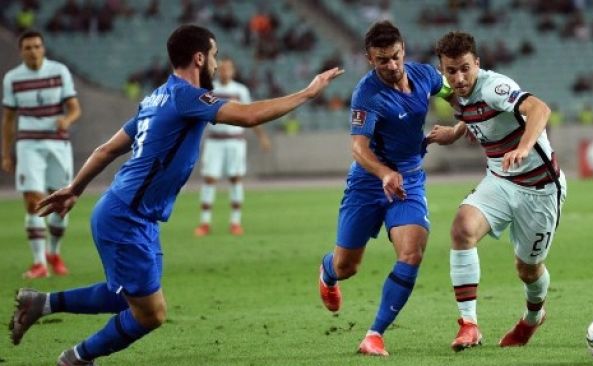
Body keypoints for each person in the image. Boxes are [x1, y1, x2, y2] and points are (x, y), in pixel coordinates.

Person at [8, 24, 343, 365]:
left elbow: (108, 149)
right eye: (214, 56)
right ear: (199, 58)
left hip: (132, 213)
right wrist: (307, 93)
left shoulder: (157, 96)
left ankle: (43, 303)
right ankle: (76, 358)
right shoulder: (186, 96)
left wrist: (75, 189)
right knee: (150, 314)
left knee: (126, 296)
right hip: (126, 217)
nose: (216, 63)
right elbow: (249, 115)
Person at [317, 21, 451, 357]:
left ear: (403, 49)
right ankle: (328, 272)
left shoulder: (424, 76)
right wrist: (383, 172)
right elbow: (358, 149)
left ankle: (374, 334)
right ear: (369, 59)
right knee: (348, 267)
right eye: (381, 61)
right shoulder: (367, 94)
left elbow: (456, 91)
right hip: (368, 182)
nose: (390, 66)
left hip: (408, 180)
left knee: (412, 252)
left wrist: (461, 125)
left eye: (394, 57)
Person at [428, 31, 567, 352]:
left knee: (527, 269)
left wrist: (524, 146)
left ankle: (533, 317)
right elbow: (470, 111)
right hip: (500, 180)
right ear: (443, 69)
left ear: (477, 63)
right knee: (462, 229)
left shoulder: (494, 86)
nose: (459, 77)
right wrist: (454, 131)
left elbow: (540, 110)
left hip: (539, 187)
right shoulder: (450, 90)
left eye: (465, 68)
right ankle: (469, 325)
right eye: (451, 70)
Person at [2, 30, 82, 279]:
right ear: (21, 51)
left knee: (62, 203)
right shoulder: (12, 78)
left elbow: (74, 109)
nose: (33, 51)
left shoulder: (59, 71)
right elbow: (9, 119)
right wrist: (6, 153)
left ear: (43, 48)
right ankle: (39, 263)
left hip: (57, 144)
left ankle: (53, 253)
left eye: (37, 46)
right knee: (32, 201)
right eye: (28, 47)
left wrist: (66, 120)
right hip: (28, 145)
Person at [195, 57, 271, 237]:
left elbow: (251, 115)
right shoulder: (209, 90)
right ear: (217, 70)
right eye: (221, 68)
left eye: (228, 68)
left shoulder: (240, 90)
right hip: (215, 141)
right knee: (209, 179)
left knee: (236, 179)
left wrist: (262, 137)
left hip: (235, 141)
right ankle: (205, 222)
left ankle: (235, 222)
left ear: (233, 71)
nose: (224, 71)